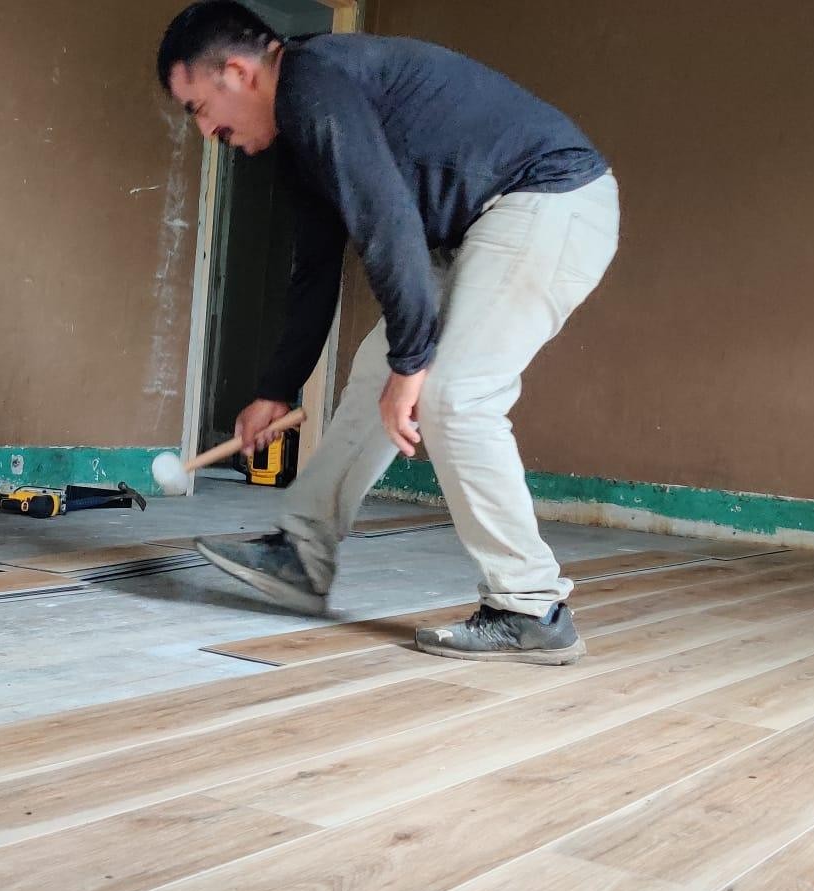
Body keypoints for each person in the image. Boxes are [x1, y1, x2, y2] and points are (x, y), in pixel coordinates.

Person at [158, 1, 620, 665]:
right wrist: (275, 390)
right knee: (379, 373)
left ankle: (530, 606)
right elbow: (315, 268)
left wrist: (413, 361)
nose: (208, 132)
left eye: (200, 108)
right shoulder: (298, 130)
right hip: (478, 226)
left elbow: (387, 223)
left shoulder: (314, 81)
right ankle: (302, 553)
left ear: (238, 72)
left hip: (550, 198)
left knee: (454, 397)